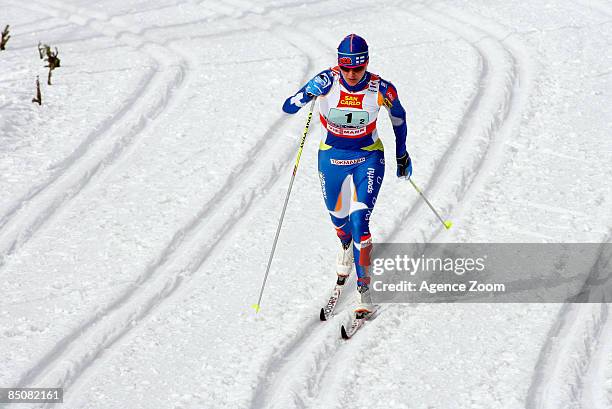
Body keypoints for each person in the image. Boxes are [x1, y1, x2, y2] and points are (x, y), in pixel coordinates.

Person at [282, 34, 412, 317]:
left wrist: (402, 154)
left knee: (359, 220)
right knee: (339, 220)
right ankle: (345, 245)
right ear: (339, 64)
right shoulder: (326, 81)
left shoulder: (381, 89)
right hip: (331, 157)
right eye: (346, 68)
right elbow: (288, 107)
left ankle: (364, 290)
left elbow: (399, 120)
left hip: (368, 157)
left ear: (366, 64)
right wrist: (308, 92)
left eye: (358, 68)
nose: (352, 74)